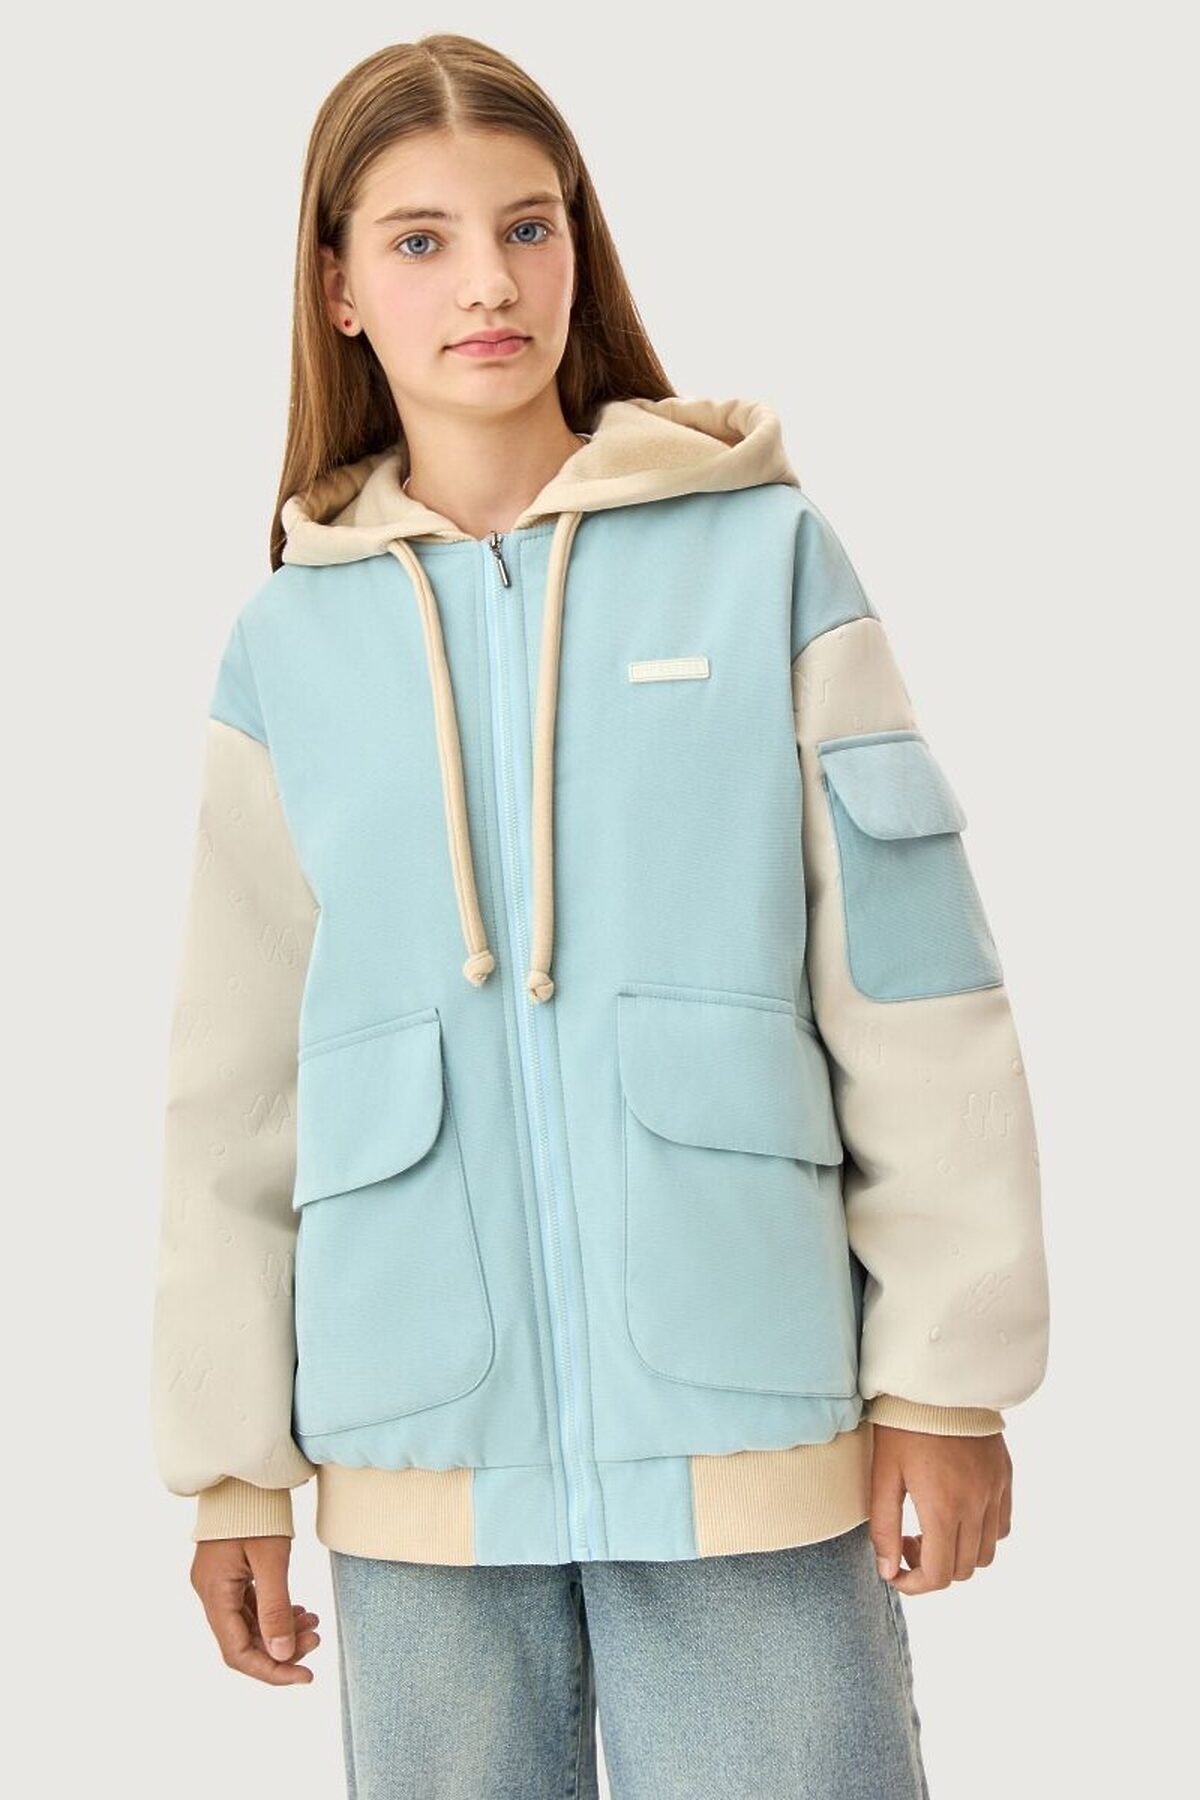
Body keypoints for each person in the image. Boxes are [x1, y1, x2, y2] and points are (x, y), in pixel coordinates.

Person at [149, 32, 1051, 1799]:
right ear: (337, 289)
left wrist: (947, 1380)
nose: (488, 283)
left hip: (749, 1414)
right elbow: (232, 1080)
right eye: (419, 240)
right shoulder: (289, 645)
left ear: (581, 248)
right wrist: (231, 1464)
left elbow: (911, 982)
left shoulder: (764, 558)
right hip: (418, 1440)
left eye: (528, 227)